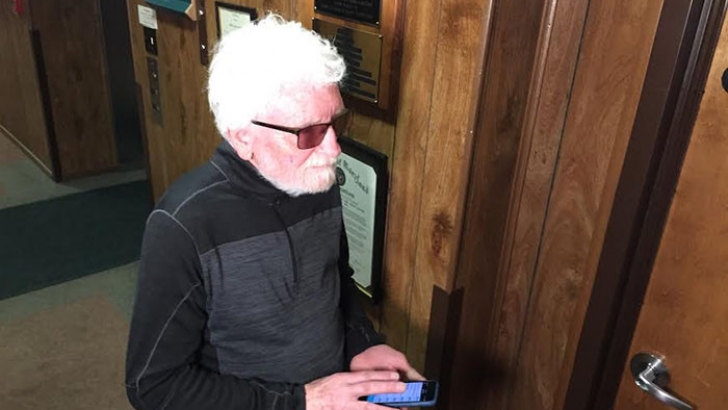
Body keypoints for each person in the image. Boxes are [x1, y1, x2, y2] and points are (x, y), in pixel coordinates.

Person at [125, 13, 422, 410]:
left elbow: (336, 280)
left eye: (337, 122)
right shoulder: (182, 226)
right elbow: (153, 385)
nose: (334, 149)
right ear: (243, 137)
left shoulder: (316, 181)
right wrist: (303, 401)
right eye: (309, 133)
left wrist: (362, 345)